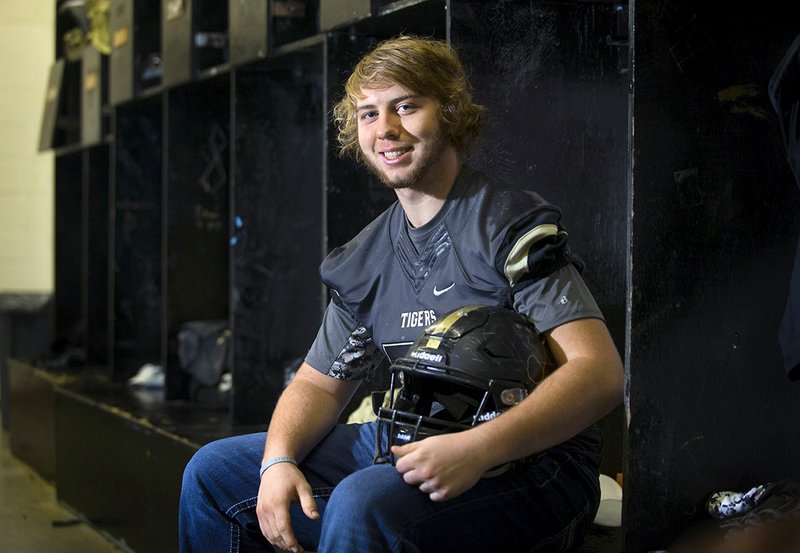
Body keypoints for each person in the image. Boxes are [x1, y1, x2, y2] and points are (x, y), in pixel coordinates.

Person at [179, 35, 624, 553]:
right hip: (408, 440)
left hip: (536, 464)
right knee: (213, 473)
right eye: (367, 114)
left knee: (362, 502)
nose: (385, 129)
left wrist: (477, 448)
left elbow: (599, 374)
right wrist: (278, 461)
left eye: (406, 106)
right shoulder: (364, 257)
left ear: (451, 112)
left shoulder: (506, 225)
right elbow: (319, 387)